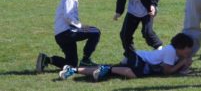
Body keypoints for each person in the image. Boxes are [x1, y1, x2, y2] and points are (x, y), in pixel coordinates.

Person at [58, 33, 193, 81]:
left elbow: (177, 70)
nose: (190, 51)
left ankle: (72, 70)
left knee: (108, 69)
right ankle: (108, 70)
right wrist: (182, 63)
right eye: (188, 48)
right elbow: (167, 71)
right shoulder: (171, 51)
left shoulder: (175, 54)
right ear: (181, 46)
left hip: (136, 57)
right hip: (138, 58)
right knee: (136, 74)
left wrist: (184, 64)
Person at [36, 0, 101, 73]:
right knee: (95, 32)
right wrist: (80, 26)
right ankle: (86, 60)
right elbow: (67, 16)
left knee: (72, 64)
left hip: (60, 35)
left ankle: (47, 59)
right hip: (67, 32)